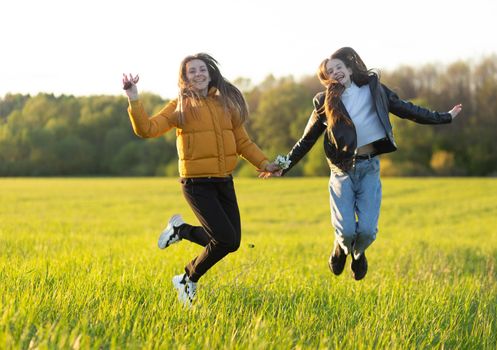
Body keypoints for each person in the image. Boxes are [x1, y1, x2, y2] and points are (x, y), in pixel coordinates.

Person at [260, 47, 462, 280]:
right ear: (326, 79)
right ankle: (341, 247)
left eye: (338, 67)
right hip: (341, 171)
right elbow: (306, 140)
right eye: (330, 72)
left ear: (348, 68)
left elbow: (408, 110)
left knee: (366, 231)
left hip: (369, 168)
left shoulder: (373, 90)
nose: (336, 73)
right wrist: (283, 166)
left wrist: (444, 117)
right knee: (345, 231)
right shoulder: (324, 102)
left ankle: (358, 253)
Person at [122, 53, 279, 306]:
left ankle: (180, 230)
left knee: (232, 242)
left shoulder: (225, 104)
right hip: (197, 184)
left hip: (224, 181)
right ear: (184, 78)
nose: (198, 74)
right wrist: (134, 98)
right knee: (224, 239)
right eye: (191, 71)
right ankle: (187, 278)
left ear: (210, 72)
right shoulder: (179, 106)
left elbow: (242, 142)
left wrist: (264, 163)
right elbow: (147, 129)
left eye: (201, 69)